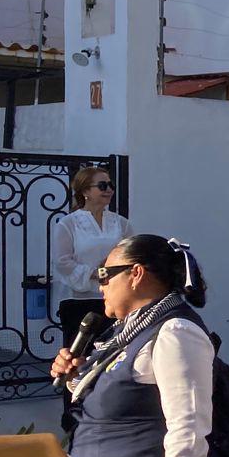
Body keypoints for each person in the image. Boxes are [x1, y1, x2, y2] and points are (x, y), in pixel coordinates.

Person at [53, 235, 218, 457]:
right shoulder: (126, 329)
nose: (99, 285)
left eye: (104, 274)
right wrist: (74, 375)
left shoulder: (175, 332)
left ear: (136, 273)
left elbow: (189, 423)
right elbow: (114, 396)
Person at [52, 166, 134, 439]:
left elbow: (129, 256)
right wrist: (94, 273)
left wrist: (113, 273)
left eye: (110, 184)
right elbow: (62, 262)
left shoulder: (121, 224)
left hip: (113, 300)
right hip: (79, 302)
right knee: (75, 359)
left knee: (111, 357)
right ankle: (73, 419)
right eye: (102, 185)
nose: (109, 189)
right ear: (85, 190)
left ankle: (107, 415)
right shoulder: (69, 224)